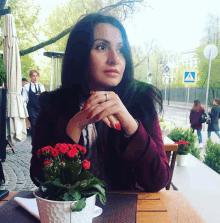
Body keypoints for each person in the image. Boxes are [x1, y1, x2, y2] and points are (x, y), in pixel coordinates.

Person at [30, 13, 169, 192]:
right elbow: (38, 177)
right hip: (73, 214)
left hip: (126, 212)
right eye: (102, 47)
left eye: (120, 49)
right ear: (80, 54)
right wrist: (74, 126)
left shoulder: (141, 101)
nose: (114, 58)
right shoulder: (52, 104)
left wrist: (131, 125)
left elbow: (158, 180)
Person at [22, 70, 45, 139]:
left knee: (40, 125)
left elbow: (44, 99)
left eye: (36, 76)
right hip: (31, 108)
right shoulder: (26, 86)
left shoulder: (41, 86)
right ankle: (34, 141)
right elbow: (24, 99)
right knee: (33, 124)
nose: (35, 78)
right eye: (33, 76)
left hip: (40, 108)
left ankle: (40, 141)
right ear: (30, 77)